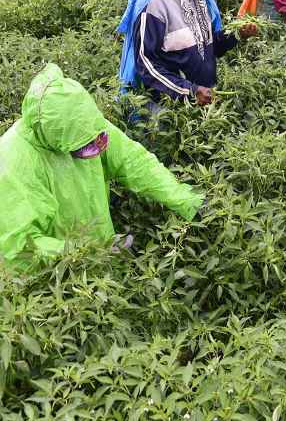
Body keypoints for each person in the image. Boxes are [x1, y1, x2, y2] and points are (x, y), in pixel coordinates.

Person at [0, 64, 203, 272]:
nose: (95, 148)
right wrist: (86, 252)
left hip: (98, 257)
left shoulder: (86, 123)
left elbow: (134, 162)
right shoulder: (14, 162)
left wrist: (186, 200)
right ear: (56, 142)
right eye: (83, 147)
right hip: (55, 281)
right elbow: (22, 247)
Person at [117, 0, 256, 106]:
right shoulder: (155, 6)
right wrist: (188, 91)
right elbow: (146, 63)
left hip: (202, 98)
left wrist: (236, 35)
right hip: (169, 104)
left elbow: (210, 47)